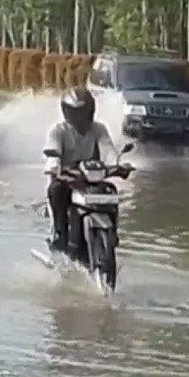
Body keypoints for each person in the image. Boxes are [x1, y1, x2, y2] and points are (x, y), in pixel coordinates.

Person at [44, 87, 118, 262]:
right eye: (75, 112)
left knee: (111, 190)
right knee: (56, 190)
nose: (80, 117)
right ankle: (60, 234)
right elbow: (52, 156)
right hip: (67, 181)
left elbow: (108, 150)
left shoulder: (99, 129)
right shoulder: (58, 131)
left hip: (91, 181)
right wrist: (57, 170)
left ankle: (112, 234)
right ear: (66, 112)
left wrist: (117, 167)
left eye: (83, 112)